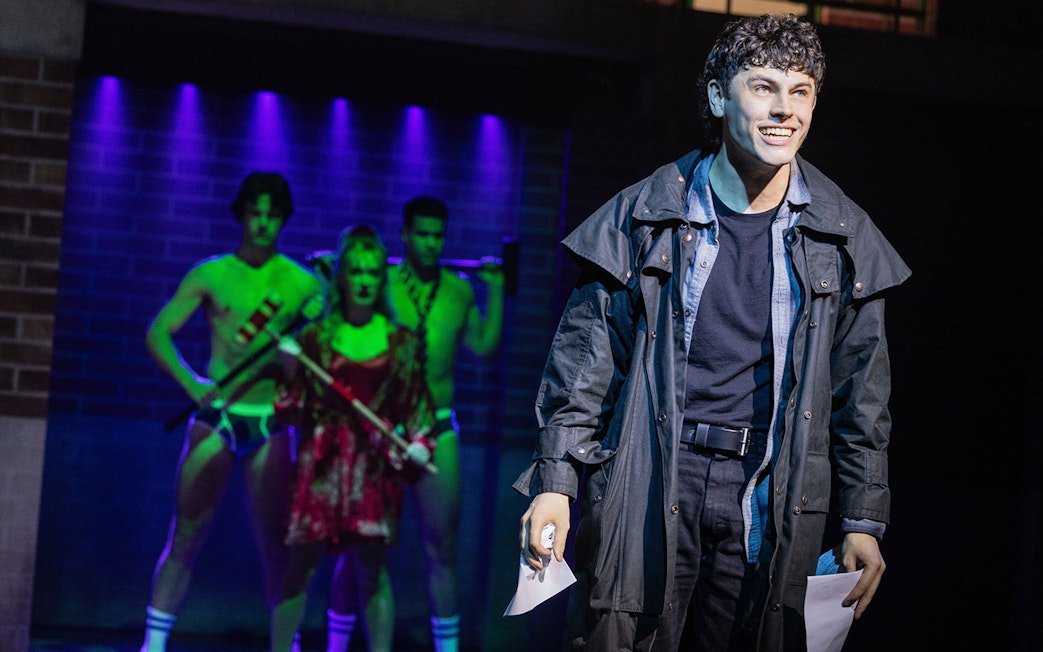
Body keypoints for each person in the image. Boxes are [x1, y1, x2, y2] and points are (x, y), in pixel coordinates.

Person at [514, 13, 911, 652]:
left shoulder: (844, 240)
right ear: (718, 95)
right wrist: (556, 483)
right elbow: (584, 370)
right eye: (763, 87)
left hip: (769, 486)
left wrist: (864, 520)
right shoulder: (644, 218)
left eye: (801, 90)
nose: (785, 109)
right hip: (653, 474)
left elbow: (862, 400)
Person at [140, 171, 323, 652]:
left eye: (273, 215)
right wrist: (191, 383)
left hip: (269, 420)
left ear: (283, 220)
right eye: (255, 213)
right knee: (186, 533)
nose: (263, 223)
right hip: (217, 417)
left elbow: (318, 362)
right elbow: (158, 332)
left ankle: (285, 646)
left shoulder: (302, 285)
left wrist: (293, 363)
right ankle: (153, 644)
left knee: (274, 546)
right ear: (242, 215)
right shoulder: (212, 273)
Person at [318, 195, 502, 652]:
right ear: (405, 234)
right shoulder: (382, 284)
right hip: (384, 430)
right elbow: (346, 332)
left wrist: (496, 290)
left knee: (442, 550)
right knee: (360, 548)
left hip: (437, 427)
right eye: (422, 233)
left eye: (438, 235)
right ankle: (336, 646)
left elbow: (482, 347)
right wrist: (329, 280)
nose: (431, 243)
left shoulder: (458, 290)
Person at [269, 224, 438, 652]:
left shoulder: (399, 342)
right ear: (342, 275)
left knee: (372, 573)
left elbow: (417, 405)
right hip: (321, 464)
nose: (364, 281)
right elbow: (290, 410)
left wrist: (420, 442)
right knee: (299, 570)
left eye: (373, 273)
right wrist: (289, 370)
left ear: (382, 279)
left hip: (372, 469)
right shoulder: (316, 338)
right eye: (356, 271)